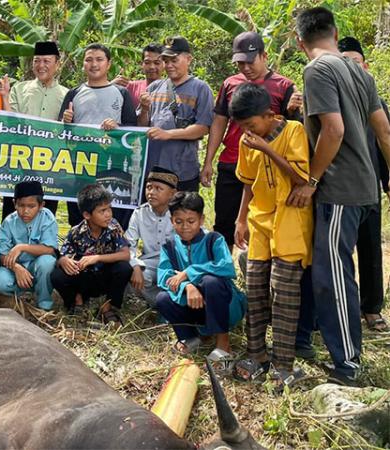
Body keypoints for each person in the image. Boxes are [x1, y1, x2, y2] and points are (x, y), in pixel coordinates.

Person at [293, 7, 390, 386]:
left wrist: (312, 180)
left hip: (340, 189)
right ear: (334, 31)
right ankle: (347, 353)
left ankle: (347, 363)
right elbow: (383, 131)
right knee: (340, 269)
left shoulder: (317, 70)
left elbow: (332, 130)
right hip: (366, 188)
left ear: (301, 42)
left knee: (332, 273)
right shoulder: (358, 71)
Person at [229, 83, 312, 385]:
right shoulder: (248, 140)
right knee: (255, 289)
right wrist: (240, 220)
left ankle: (283, 365)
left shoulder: (293, 132)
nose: (248, 132)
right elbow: (247, 182)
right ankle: (256, 354)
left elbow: (301, 177)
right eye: (242, 127)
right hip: (259, 221)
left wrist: (266, 148)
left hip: (290, 222)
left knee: (284, 295)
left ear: (269, 114)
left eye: (251, 125)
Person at [201, 32, 302, 248]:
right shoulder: (229, 84)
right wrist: (209, 160)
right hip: (232, 161)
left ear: (264, 56)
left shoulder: (284, 86)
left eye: (249, 61)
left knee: (262, 221)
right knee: (225, 223)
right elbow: (220, 121)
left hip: (267, 167)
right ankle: (223, 272)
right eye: (239, 63)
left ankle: (255, 268)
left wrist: (294, 108)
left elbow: (289, 125)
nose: (245, 68)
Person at [155, 192, 246, 364]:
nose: (185, 227)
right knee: (162, 298)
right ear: (171, 220)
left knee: (211, 281)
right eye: (179, 221)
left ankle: (223, 342)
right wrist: (187, 286)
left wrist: (189, 272)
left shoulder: (214, 240)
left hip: (226, 307)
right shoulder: (170, 247)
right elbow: (164, 277)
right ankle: (191, 337)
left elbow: (226, 267)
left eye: (191, 221)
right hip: (193, 306)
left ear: (202, 219)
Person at [338, 36, 389, 333]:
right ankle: (344, 308)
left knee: (371, 248)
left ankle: (371, 309)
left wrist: (387, 179)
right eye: (344, 64)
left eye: (355, 62)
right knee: (339, 252)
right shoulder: (330, 96)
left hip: (369, 185)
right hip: (339, 188)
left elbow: (384, 141)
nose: (351, 69)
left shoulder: (376, 101)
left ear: (366, 66)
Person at [58, 43, 137, 227]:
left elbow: (133, 130)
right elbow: (60, 131)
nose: (94, 64)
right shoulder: (74, 93)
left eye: (99, 59)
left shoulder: (122, 93)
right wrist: (66, 120)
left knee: (110, 214)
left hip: (111, 166)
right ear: (83, 64)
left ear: (108, 64)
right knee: (80, 213)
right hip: (81, 165)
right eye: (89, 60)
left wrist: (118, 127)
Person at [139, 37, 214, 192]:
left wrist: (168, 134)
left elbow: (203, 128)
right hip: (153, 171)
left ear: (188, 59)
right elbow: (141, 127)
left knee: (182, 214)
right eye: (166, 61)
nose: (169, 65)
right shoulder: (154, 87)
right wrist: (145, 109)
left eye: (174, 60)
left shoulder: (200, 89)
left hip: (183, 171)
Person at [1, 40, 67, 218]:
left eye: (46, 61)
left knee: (46, 214)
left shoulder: (67, 94)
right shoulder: (20, 89)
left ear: (57, 64)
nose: (41, 65)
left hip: (50, 165)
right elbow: (10, 122)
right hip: (19, 162)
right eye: (37, 60)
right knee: (12, 213)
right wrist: (5, 97)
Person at [50, 184, 132, 326]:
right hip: (85, 278)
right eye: (102, 211)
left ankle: (107, 307)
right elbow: (63, 255)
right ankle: (77, 301)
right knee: (57, 275)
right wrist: (63, 261)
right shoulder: (76, 231)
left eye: (109, 209)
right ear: (87, 215)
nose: (108, 214)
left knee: (124, 268)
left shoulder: (114, 227)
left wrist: (98, 258)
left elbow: (125, 255)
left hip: (105, 276)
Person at [0, 181, 58, 310]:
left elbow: (50, 249)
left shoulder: (47, 218)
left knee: (47, 262)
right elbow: (2, 254)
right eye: (21, 205)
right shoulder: (9, 222)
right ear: (14, 204)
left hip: (37, 266)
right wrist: (17, 268)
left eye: (31, 206)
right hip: (15, 267)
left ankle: (44, 303)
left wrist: (22, 247)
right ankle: (20, 294)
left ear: (41, 205)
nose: (25, 211)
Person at [124, 166, 178, 307]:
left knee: (175, 281)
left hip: (176, 262)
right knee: (134, 277)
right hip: (150, 262)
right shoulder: (139, 212)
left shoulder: (180, 214)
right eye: (149, 187)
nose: (151, 192)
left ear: (172, 193)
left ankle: (163, 302)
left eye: (158, 188)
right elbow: (129, 244)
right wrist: (135, 266)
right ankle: (160, 302)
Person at [111, 43, 164, 108]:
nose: (152, 67)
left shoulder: (172, 90)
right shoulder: (130, 88)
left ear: (164, 64)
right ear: (142, 64)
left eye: (157, 63)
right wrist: (110, 87)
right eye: (147, 62)